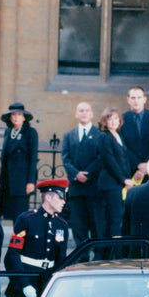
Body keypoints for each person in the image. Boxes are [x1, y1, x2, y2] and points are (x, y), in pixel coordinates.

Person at [4, 179, 70, 297]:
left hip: (47, 283)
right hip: (28, 278)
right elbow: (12, 255)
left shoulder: (62, 225)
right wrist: (24, 285)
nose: (64, 201)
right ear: (48, 197)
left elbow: (61, 260)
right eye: (60, 197)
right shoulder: (26, 219)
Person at [61, 101, 104, 243]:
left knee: (96, 226)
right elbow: (66, 159)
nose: (84, 113)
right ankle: (82, 258)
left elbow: (100, 158)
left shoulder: (99, 135)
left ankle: (97, 259)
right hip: (76, 189)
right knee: (79, 227)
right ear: (76, 114)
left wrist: (88, 174)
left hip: (94, 188)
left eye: (87, 110)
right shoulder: (68, 135)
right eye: (81, 110)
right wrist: (76, 174)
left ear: (91, 114)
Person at [0, 103, 39, 221]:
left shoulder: (30, 133)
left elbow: (33, 157)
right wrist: (1, 180)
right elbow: (4, 159)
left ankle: (20, 239)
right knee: (8, 213)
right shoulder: (8, 132)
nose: (16, 117)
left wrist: (31, 181)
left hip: (22, 181)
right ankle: (14, 238)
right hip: (8, 180)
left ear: (24, 117)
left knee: (20, 214)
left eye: (19, 115)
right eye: (13, 115)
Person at [97, 107, 130, 237]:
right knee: (114, 220)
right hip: (110, 184)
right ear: (105, 122)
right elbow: (109, 161)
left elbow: (124, 160)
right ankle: (113, 253)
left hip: (119, 184)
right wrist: (123, 179)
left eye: (116, 118)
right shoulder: (104, 137)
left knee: (118, 219)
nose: (113, 122)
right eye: (110, 119)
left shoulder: (119, 135)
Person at [121, 86, 149, 181]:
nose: (136, 101)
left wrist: (146, 165)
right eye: (133, 98)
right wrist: (138, 165)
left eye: (139, 97)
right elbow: (123, 145)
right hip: (130, 170)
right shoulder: (121, 119)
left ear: (144, 99)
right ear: (128, 100)